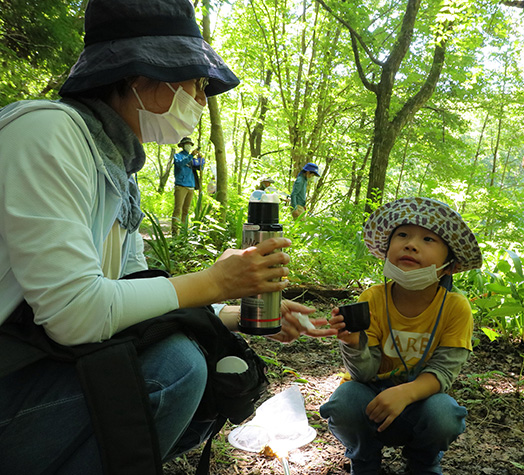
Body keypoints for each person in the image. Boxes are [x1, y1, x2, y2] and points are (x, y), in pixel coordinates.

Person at [0, 0, 336, 473]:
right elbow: (75, 315)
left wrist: (234, 313)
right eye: (196, 84)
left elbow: (133, 288)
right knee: (176, 368)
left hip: (33, 362)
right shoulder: (47, 133)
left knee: (209, 367)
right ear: (139, 76)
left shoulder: (116, 166)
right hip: (16, 369)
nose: (202, 101)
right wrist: (215, 281)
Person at [320, 197, 483, 475]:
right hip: (369, 398)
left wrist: (405, 393)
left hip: (420, 404)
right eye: (403, 235)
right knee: (344, 400)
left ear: (450, 264)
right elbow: (363, 372)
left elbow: (443, 372)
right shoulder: (372, 298)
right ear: (387, 249)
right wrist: (353, 343)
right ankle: (364, 463)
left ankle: (424, 465)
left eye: (429, 240)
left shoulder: (456, 308)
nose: (411, 244)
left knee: (445, 414)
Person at [172, 136, 203, 234]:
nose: (189, 146)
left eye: (190, 144)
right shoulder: (178, 156)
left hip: (191, 186)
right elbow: (179, 164)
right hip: (181, 186)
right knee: (178, 209)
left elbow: (200, 168)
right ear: (182, 145)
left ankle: (183, 233)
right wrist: (190, 156)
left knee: (186, 211)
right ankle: (174, 233)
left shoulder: (192, 158)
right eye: (187, 144)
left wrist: (200, 159)